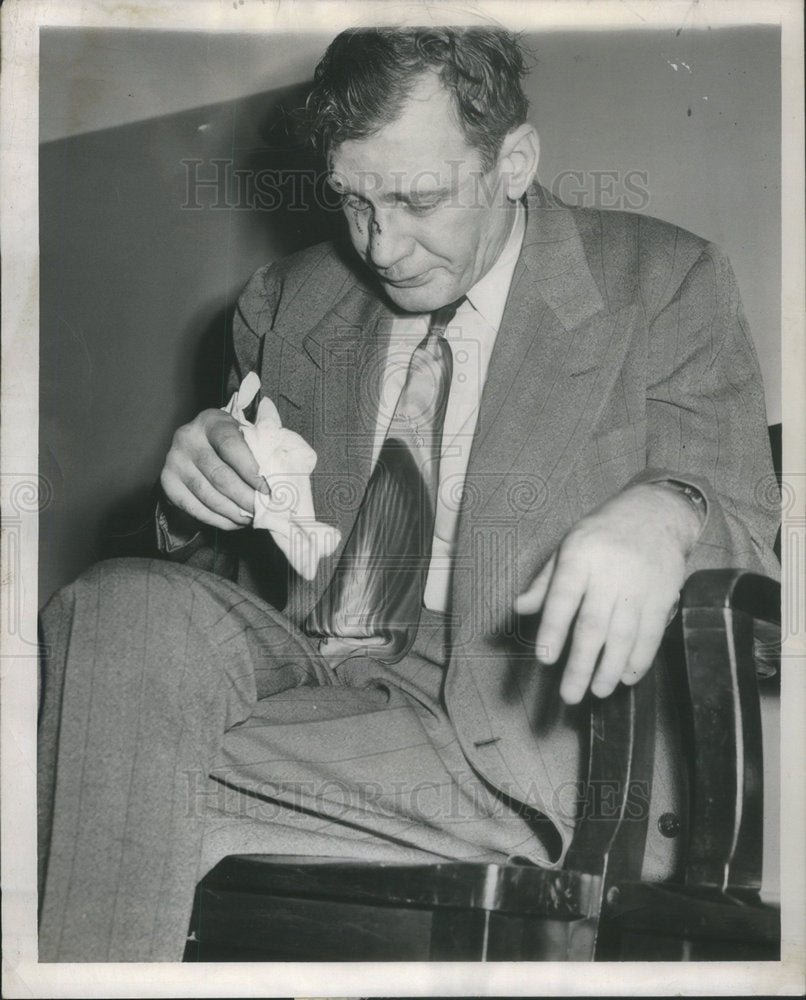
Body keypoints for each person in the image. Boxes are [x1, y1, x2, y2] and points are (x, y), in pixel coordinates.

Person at [37, 27, 779, 962]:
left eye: (420, 199)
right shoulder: (287, 300)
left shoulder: (663, 280)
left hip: (524, 726)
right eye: (353, 201)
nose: (381, 246)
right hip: (314, 689)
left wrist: (671, 510)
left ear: (514, 162)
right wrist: (199, 498)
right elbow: (237, 586)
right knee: (113, 611)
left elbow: (754, 530)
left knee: (94, 762)